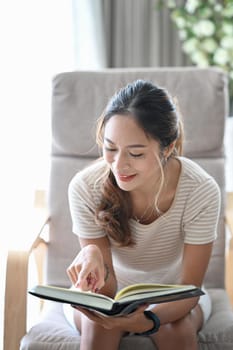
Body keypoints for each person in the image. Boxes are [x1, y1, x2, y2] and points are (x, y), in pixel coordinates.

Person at [65, 79, 220, 350]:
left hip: (175, 296)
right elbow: (106, 289)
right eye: (110, 148)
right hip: (110, 296)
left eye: (135, 153)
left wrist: (145, 322)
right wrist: (93, 256)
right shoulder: (85, 187)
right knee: (97, 325)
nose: (118, 164)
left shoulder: (200, 190)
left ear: (167, 148)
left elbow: (189, 290)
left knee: (177, 331)